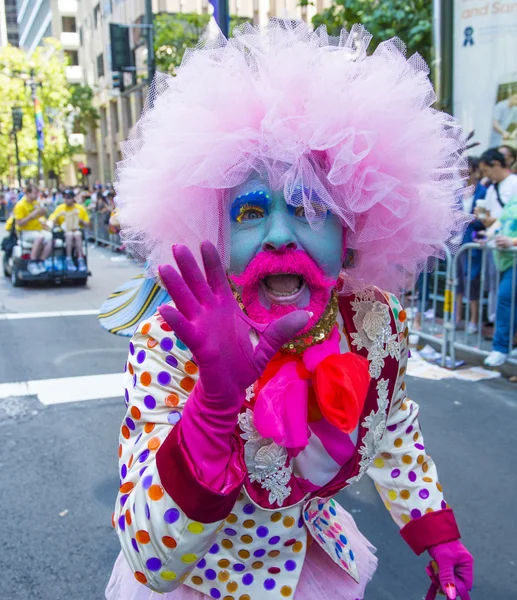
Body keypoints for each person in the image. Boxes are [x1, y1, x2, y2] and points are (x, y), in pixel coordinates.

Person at [105, 21, 473, 600]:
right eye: (250, 211)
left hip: (311, 567)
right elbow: (150, 558)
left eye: (309, 206)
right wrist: (213, 409)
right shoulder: (172, 338)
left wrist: (434, 531)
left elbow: (392, 420)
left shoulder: (373, 319)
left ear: (351, 232)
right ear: (215, 232)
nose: (280, 235)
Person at [483, 195, 517, 367]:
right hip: (510, 260)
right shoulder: (514, 200)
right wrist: (489, 236)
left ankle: (501, 348)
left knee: (505, 298)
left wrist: (512, 241)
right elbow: (502, 221)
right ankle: (502, 348)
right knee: (506, 299)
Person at [455, 157, 487, 334]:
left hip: (472, 242)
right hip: (456, 243)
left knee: (472, 280)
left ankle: (474, 319)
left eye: (467, 170)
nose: (464, 174)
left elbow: (484, 220)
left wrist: (471, 218)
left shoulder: (483, 191)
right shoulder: (458, 191)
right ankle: (457, 317)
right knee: (456, 280)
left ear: (475, 171)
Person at [12, 184, 52, 274]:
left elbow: (39, 217)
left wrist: (42, 212)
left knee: (50, 237)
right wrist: (31, 215)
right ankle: (32, 262)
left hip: (38, 229)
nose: (37, 195)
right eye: (35, 193)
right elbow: (19, 223)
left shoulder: (35, 204)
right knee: (40, 237)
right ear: (28, 193)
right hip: (25, 231)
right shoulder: (20, 205)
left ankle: (41, 261)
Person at [47, 188, 89, 272]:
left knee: (77, 234)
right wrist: (58, 216)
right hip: (64, 232)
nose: (66, 199)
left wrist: (79, 219)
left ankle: (80, 259)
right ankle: (68, 258)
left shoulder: (80, 208)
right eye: (65, 197)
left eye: (69, 197)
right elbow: (51, 221)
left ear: (73, 198)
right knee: (69, 234)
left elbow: (87, 223)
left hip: (76, 230)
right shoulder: (60, 208)